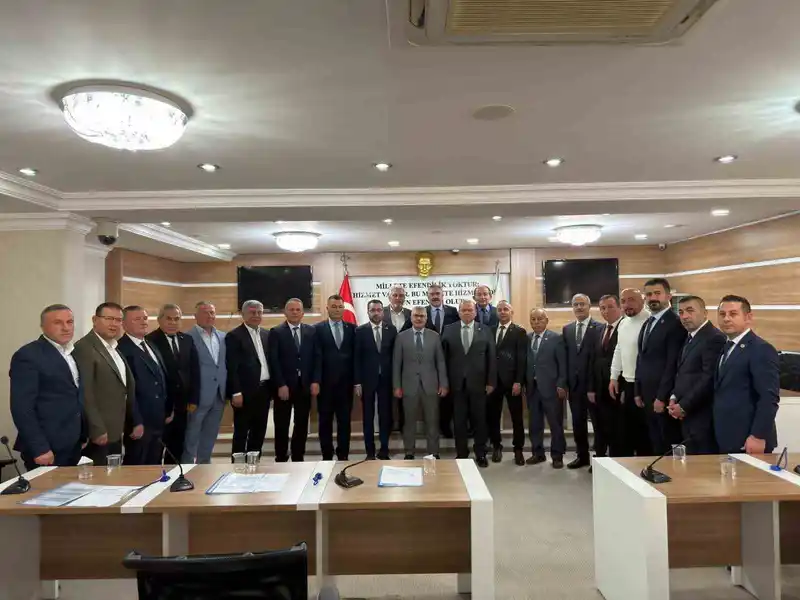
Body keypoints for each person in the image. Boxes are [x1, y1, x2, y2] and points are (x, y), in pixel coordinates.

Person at [9, 304, 84, 471]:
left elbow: (75, 395)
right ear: (43, 326)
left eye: (70, 322)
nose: (66, 327)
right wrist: (39, 447)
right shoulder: (28, 355)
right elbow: (22, 407)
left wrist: (83, 434)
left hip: (73, 444)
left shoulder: (72, 352)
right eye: (58, 323)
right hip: (47, 448)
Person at [713, 295, 780, 454]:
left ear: (748, 317)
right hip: (726, 435)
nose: (726, 319)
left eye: (733, 314)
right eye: (722, 314)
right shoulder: (726, 347)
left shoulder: (761, 349)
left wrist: (758, 436)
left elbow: (769, 398)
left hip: (749, 439)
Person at [73, 302, 138, 466]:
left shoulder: (113, 347)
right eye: (109, 319)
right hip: (100, 432)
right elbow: (86, 392)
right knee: (101, 477)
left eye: (118, 320)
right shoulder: (85, 348)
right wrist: (96, 429)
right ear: (95, 320)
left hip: (116, 429)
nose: (114, 324)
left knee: (114, 475)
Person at [667, 296, 726, 454]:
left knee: (703, 462)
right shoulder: (690, 337)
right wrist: (674, 396)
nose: (684, 316)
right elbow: (683, 372)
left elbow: (708, 378)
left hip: (703, 416)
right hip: (687, 414)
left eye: (690, 310)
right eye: (681, 312)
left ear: (705, 313)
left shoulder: (714, 338)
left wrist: (684, 405)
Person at [441, 299, 496, 467]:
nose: (466, 313)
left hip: (479, 384)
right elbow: (443, 359)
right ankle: (462, 454)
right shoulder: (448, 330)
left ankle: (481, 453)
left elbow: (491, 358)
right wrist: (444, 382)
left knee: (479, 420)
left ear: (475, 312)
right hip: (456, 385)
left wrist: (491, 381)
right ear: (458, 312)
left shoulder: (485, 330)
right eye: (463, 310)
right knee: (459, 422)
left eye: (470, 310)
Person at [635, 278, 685, 455]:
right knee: (654, 439)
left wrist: (662, 397)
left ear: (668, 296)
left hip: (662, 396)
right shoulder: (648, 322)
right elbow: (641, 358)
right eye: (649, 294)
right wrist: (637, 390)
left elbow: (672, 364)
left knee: (666, 441)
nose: (652, 298)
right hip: (647, 393)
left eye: (657, 293)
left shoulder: (675, 323)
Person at [146, 303, 200, 463]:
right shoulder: (150, 340)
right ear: (159, 320)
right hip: (161, 405)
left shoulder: (187, 340)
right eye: (169, 319)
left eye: (176, 319)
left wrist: (193, 399)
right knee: (156, 450)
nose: (173, 322)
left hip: (183, 404)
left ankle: (174, 474)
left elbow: (195, 371)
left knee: (177, 447)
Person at [393, 306, 448, 459]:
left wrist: (443, 384)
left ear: (426, 318)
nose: (418, 318)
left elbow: (440, 362)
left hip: (431, 385)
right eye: (416, 316)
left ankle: (433, 452)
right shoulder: (401, 337)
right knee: (409, 422)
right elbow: (397, 364)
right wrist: (397, 386)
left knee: (432, 421)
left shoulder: (435, 336)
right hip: (408, 386)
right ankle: (409, 452)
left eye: (422, 316)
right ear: (411, 318)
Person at [117, 305, 170, 465]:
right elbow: (126, 390)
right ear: (124, 324)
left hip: (158, 419)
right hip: (139, 422)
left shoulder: (151, 344)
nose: (143, 322)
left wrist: (168, 409)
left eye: (145, 318)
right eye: (137, 319)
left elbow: (161, 378)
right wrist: (135, 421)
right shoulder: (121, 348)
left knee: (154, 465)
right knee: (137, 466)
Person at [268, 298, 317, 462]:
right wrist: (280, 384)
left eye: (298, 310)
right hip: (284, 387)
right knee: (281, 424)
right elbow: (273, 361)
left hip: (304, 385)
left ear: (302, 313)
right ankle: (281, 456)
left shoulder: (311, 331)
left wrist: (315, 381)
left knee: (301, 423)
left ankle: (298, 456)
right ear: (285, 312)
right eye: (291, 309)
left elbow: (317, 358)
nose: (295, 312)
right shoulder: (276, 332)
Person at [226, 300, 272, 458]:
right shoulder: (234, 336)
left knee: (259, 431)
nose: (256, 315)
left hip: (264, 390)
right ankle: (237, 467)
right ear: (243, 314)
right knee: (241, 431)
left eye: (259, 312)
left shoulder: (267, 334)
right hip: (244, 393)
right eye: (252, 312)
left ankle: (254, 464)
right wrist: (235, 392)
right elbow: (232, 367)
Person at [183, 301, 227, 464]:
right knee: (191, 435)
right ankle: (187, 467)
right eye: (205, 312)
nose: (209, 316)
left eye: (212, 312)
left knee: (210, 434)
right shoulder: (187, 338)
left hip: (219, 394)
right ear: (195, 316)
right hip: (198, 395)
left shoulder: (223, 336)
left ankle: (204, 466)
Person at [313, 295, 356, 460]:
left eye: (339, 307)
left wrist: (357, 381)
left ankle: (343, 454)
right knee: (325, 421)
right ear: (327, 308)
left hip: (346, 385)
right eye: (334, 306)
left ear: (343, 308)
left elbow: (356, 358)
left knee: (344, 421)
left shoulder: (352, 329)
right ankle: (327, 455)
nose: (337, 310)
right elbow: (315, 357)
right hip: (325, 385)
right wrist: (316, 380)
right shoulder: (317, 329)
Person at [609, 288, 651, 457]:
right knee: (627, 430)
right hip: (627, 383)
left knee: (645, 433)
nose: (627, 304)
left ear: (642, 300)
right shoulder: (623, 323)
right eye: (623, 301)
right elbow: (619, 349)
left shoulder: (649, 321)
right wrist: (613, 376)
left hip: (645, 384)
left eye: (631, 300)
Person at [562, 293, 601, 469]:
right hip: (574, 386)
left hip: (593, 387)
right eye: (575, 304)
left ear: (589, 306)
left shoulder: (599, 328)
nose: (579, 307)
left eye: (582, 304)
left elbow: (598, 360)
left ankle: (599, 458)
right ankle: (582, 456)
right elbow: (566, 358)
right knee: (578, 424)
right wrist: (564, 383)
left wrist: (593, 386)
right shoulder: (567, 329)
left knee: (598, 424)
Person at [525, 308, 567, 469]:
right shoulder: (527, 338)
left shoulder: (556, 338)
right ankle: (538, 453)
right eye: (533, 319)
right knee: (534, 424)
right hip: (532, 389)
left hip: (552, 388)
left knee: (555, 424)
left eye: (540, 319)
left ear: (546, 320)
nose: (536, 322)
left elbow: (562, 363)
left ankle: (557, 456)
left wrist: (561, 384)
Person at [355, 299, 397, 460]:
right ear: (368, 312)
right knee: (368, 416)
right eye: (373, 310)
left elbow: (395, 357)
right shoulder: (360, 331)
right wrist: (357, 382)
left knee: (385, 415)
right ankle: (370, 452)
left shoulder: (391, 330)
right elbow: (356, 358)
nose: (376, 313)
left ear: (383, 312)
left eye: (379, 310)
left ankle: (384, 450)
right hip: (367, 380)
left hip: (386, 380)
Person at [487, 300, 527, 465]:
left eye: (506, 309)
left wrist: (519, 381)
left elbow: (521, 359)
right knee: (493, 416)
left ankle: (518, 449)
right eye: (500, 310)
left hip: (512, 382)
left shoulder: (519, 331)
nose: (502, 312)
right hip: (493, 382)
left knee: (517, 417)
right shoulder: (489, 330)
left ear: (511, 312)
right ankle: (496, 446)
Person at [587, 294, 623, 457]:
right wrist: (591, 388)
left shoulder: (625, 327)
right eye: (602, 308)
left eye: (610, 307)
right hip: (599, 389)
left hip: (617, 388)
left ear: (619, 307)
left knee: (617, 428)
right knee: (599, 425)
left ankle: (615, 460)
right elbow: (592, 360)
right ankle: (600, 458)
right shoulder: (600, 330)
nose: (606, 311)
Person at [425, 283, 458, 438]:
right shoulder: (421, 312)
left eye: (437, 293)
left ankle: (445, 426)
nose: (435, 296)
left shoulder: (453, 311)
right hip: (428, 361)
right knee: (430, 396)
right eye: (432, 294)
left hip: (450, 360)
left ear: (443, 295)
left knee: (447, 396)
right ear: (428, 296)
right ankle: (432, 427)